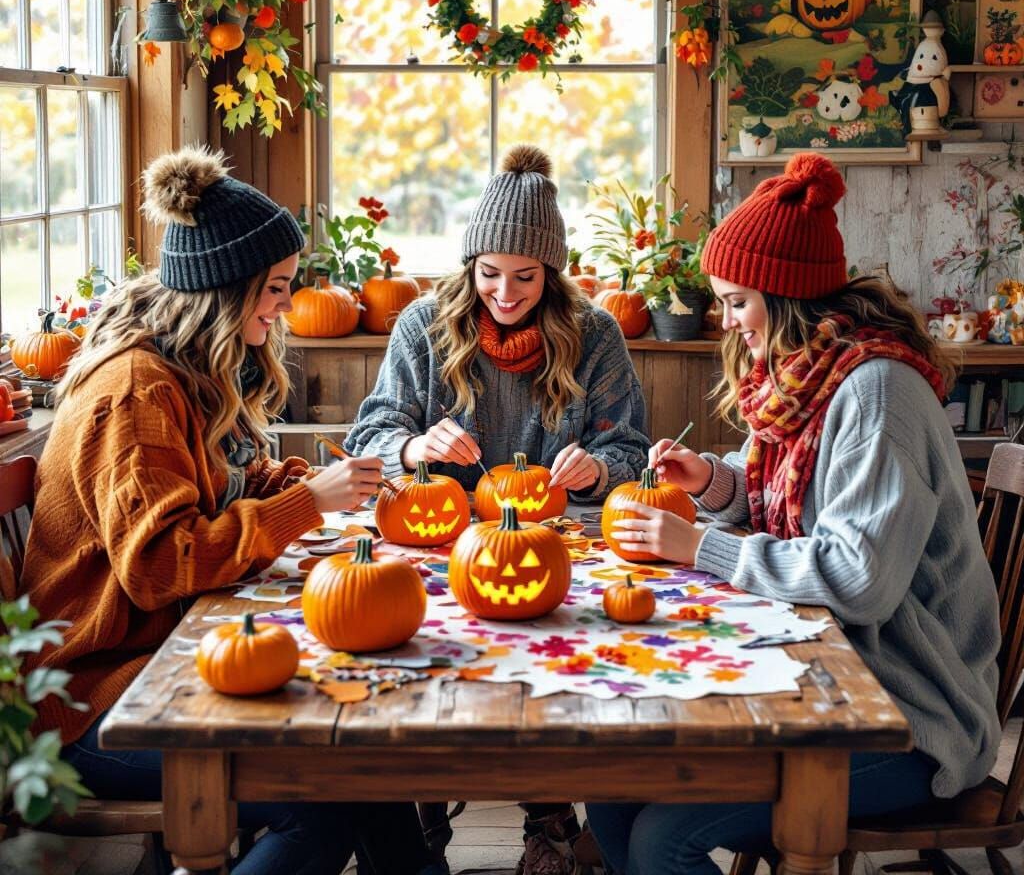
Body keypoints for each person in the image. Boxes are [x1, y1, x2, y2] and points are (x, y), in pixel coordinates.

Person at [19, 146, 439, 875]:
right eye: (275, 290)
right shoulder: (136, 393)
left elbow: (221, 481)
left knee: (357, 747)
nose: (283, 308)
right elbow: (160, 565)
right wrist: (306, 504)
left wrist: (298, 481)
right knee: (321, 795)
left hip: (160, 657)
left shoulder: (182, 371)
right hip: (93, 703)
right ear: (225, 292)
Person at [586, 152, 1002, 875]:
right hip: (828, 676)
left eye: (737, 301)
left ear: (786, 295)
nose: (727, 320)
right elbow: (784, 498)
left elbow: (859, 576)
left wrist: (699, 549)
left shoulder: (875, 392)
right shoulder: (806, 373)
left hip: (907, 714)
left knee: (662, 837)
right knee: (613, 792)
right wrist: (712, 482)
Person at [345, 144, 651, 875]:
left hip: (550, 545)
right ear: (469, 265)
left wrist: (599, 466)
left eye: (525, 277)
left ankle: (548, 820)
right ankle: (419, 824)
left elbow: (632, 448)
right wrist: (415, 446)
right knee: (411, 661)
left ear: (552, 273)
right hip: (432, 543)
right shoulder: (422, 325)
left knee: (543, 668)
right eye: (489, 275)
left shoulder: (596, 334)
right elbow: (370, 436)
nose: (505, 294)